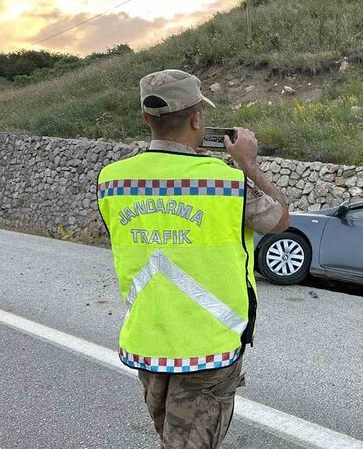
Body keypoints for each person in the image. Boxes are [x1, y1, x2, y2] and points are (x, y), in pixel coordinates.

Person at [96, 69, 290, 448]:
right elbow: (280, 220)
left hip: (147, 342)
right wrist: (249, 164)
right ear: (198, 118)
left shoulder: (112, 180)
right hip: (209, 347)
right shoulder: (226, 182)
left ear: (145, 119)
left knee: (170, 437)